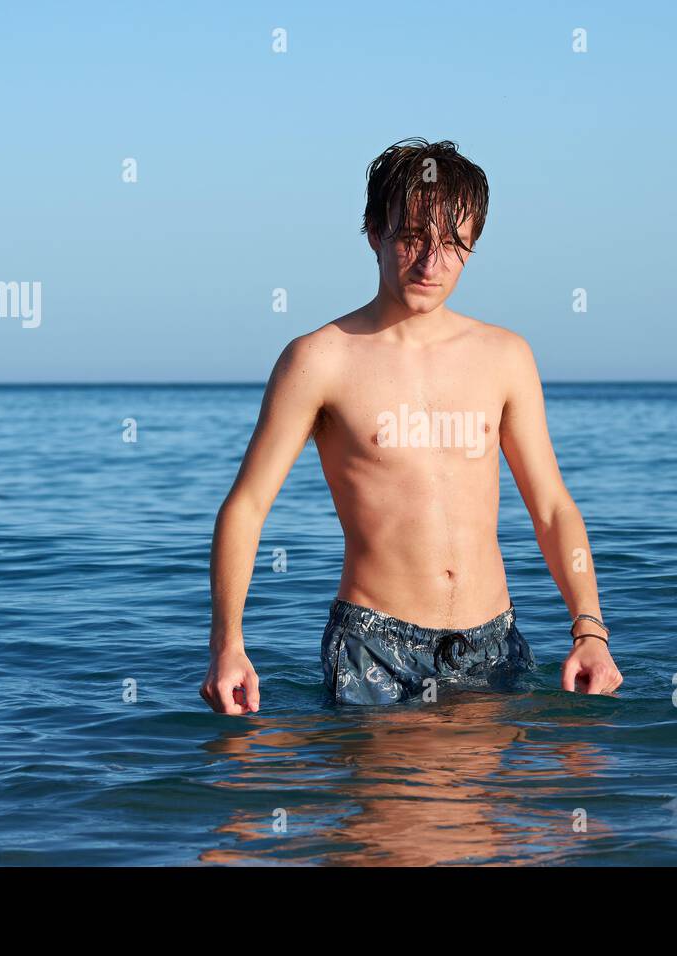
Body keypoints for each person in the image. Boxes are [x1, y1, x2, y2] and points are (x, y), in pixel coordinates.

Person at [201, 138, 622, 713]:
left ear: (474, 243)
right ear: (374, 231)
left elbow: (551, 507)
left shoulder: (505, 357)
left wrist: (590, 632)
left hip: (492, 644)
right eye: (411, 238)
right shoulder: (319, 360)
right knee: (397, 805)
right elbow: (246, 506)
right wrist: (228, 645)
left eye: (452, 243)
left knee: (490, 806)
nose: (431, 263)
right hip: (376, 649)